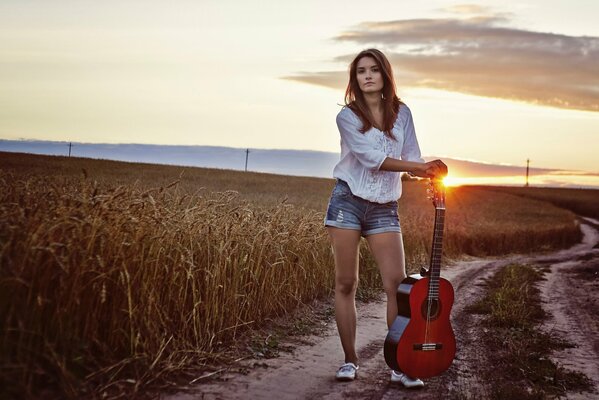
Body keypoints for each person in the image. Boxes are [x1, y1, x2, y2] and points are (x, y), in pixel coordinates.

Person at [324, 48, 447, 388]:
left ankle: (400, 364)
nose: (367, 76)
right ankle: (350, 361)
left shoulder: (402, 113)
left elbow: (412, 157)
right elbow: (370, 158)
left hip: (384, 208)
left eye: (374, 70)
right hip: (347, 202)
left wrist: (429, 172)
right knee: (346, 283)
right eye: (361, 70)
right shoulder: (347, 117)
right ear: (355, 78)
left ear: (384, 76)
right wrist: (417, 168)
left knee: (398, 287)